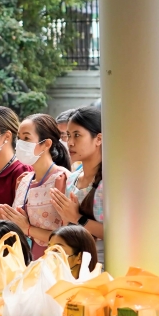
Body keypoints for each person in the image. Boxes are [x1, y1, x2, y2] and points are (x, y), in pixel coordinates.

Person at [0, 114, 72, 259]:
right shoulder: (23, 180)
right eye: (19, 138)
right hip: (23, 262)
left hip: (51, 265)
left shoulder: (61, 179)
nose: (19, 143)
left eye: (26, 138)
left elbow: (68, 236)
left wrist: (28, 228)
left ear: (46, 144)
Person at [50, 106, 105, 265]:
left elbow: (118, 234)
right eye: (68, 135)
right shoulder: (72, 179)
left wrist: (77, 218)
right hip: (72, 266)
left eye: (77, 135)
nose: (70, 142)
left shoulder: (110, 183)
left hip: (103, 266)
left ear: (99, 139)